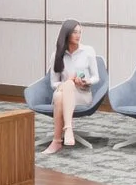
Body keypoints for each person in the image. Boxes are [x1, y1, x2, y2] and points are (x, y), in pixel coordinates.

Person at [43, 20, 102, 155]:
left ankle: (57, 140)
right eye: (75, 32)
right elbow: (54, 83)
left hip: (82, 94)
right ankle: (67, 130)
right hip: (63, 93)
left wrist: (87, 81)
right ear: (67, 33)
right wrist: (68, 82)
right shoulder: (57, 55)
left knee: (60, 95)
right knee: (62, 91)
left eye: (80, 32)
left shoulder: (88, 51)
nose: (78, 35)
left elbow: (96, 77)